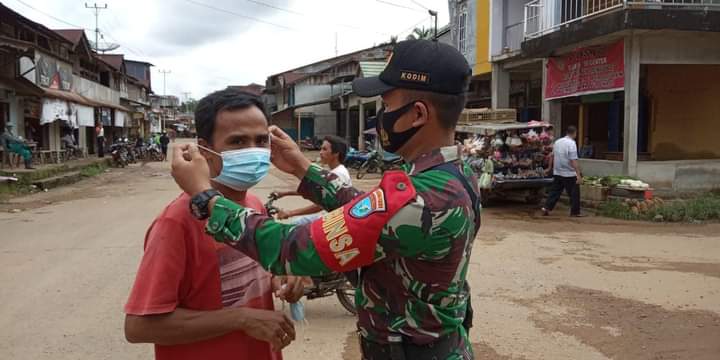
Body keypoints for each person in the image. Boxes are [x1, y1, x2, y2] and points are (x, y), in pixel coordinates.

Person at [171, 40, 480, 360]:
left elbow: (289, 246)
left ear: (417, 114)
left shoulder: (425, 197)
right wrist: (304, 170)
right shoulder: (452, 174)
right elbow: (369, 211)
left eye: (386, 106)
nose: (380, 117)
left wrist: (206, 198)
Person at [124, 89, 306, 360]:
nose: (253, 151)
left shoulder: (254, 206)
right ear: (205, 150)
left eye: (260, 140)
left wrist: (281, 277)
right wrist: (240, 319)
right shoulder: (177, 221)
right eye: (237, 141)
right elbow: (138, 326)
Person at [275, 135, 351, 225]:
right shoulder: (335, 171)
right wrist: (284, 193)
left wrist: (291, 213)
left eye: (324, 149)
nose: (320, 152)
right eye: (321, 149)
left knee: (294, 228)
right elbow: (315, 189)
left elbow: (319, 205)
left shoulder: (338, 174)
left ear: (336, 153)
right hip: (328, 215)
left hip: (332, 221)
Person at [542, 126, 583, 217]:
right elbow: (573, 160)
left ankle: (547, 207)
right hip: (569, 172)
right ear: (574, 133)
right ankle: (575, 212)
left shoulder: (558, 142)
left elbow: (551, 156)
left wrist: (549, 168)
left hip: (558, 171)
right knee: (574, 192)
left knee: (555, 191)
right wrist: (578, 174)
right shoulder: (572, 144)